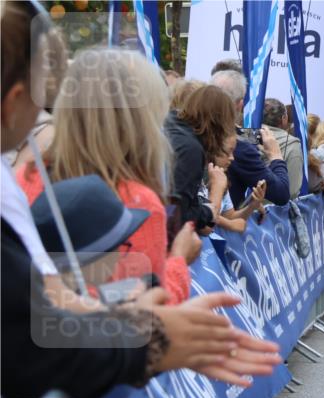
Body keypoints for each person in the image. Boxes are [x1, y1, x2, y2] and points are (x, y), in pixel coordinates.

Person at [17, 48, 199, 305]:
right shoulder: (136, 201)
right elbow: (147, 313)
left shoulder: (26, 177)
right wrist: (179, 260)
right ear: (141, 121)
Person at [211, 70, 291, 207]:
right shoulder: (240, 148)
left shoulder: (192, 128)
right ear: (240, 104)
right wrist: (276, 156)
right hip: (221, 223)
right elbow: (281, 194)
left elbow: (238, 133)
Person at [164, 84, 235, 235]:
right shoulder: (191, 149)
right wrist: (214, 197)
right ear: (221, 123)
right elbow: (176, 215)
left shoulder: (171, 122)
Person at [262, 97, 305, 197]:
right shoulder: (292, 143)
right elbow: (292, 190)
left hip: (242, 207)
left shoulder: (246, 136)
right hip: (276, 209)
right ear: (283, 118)